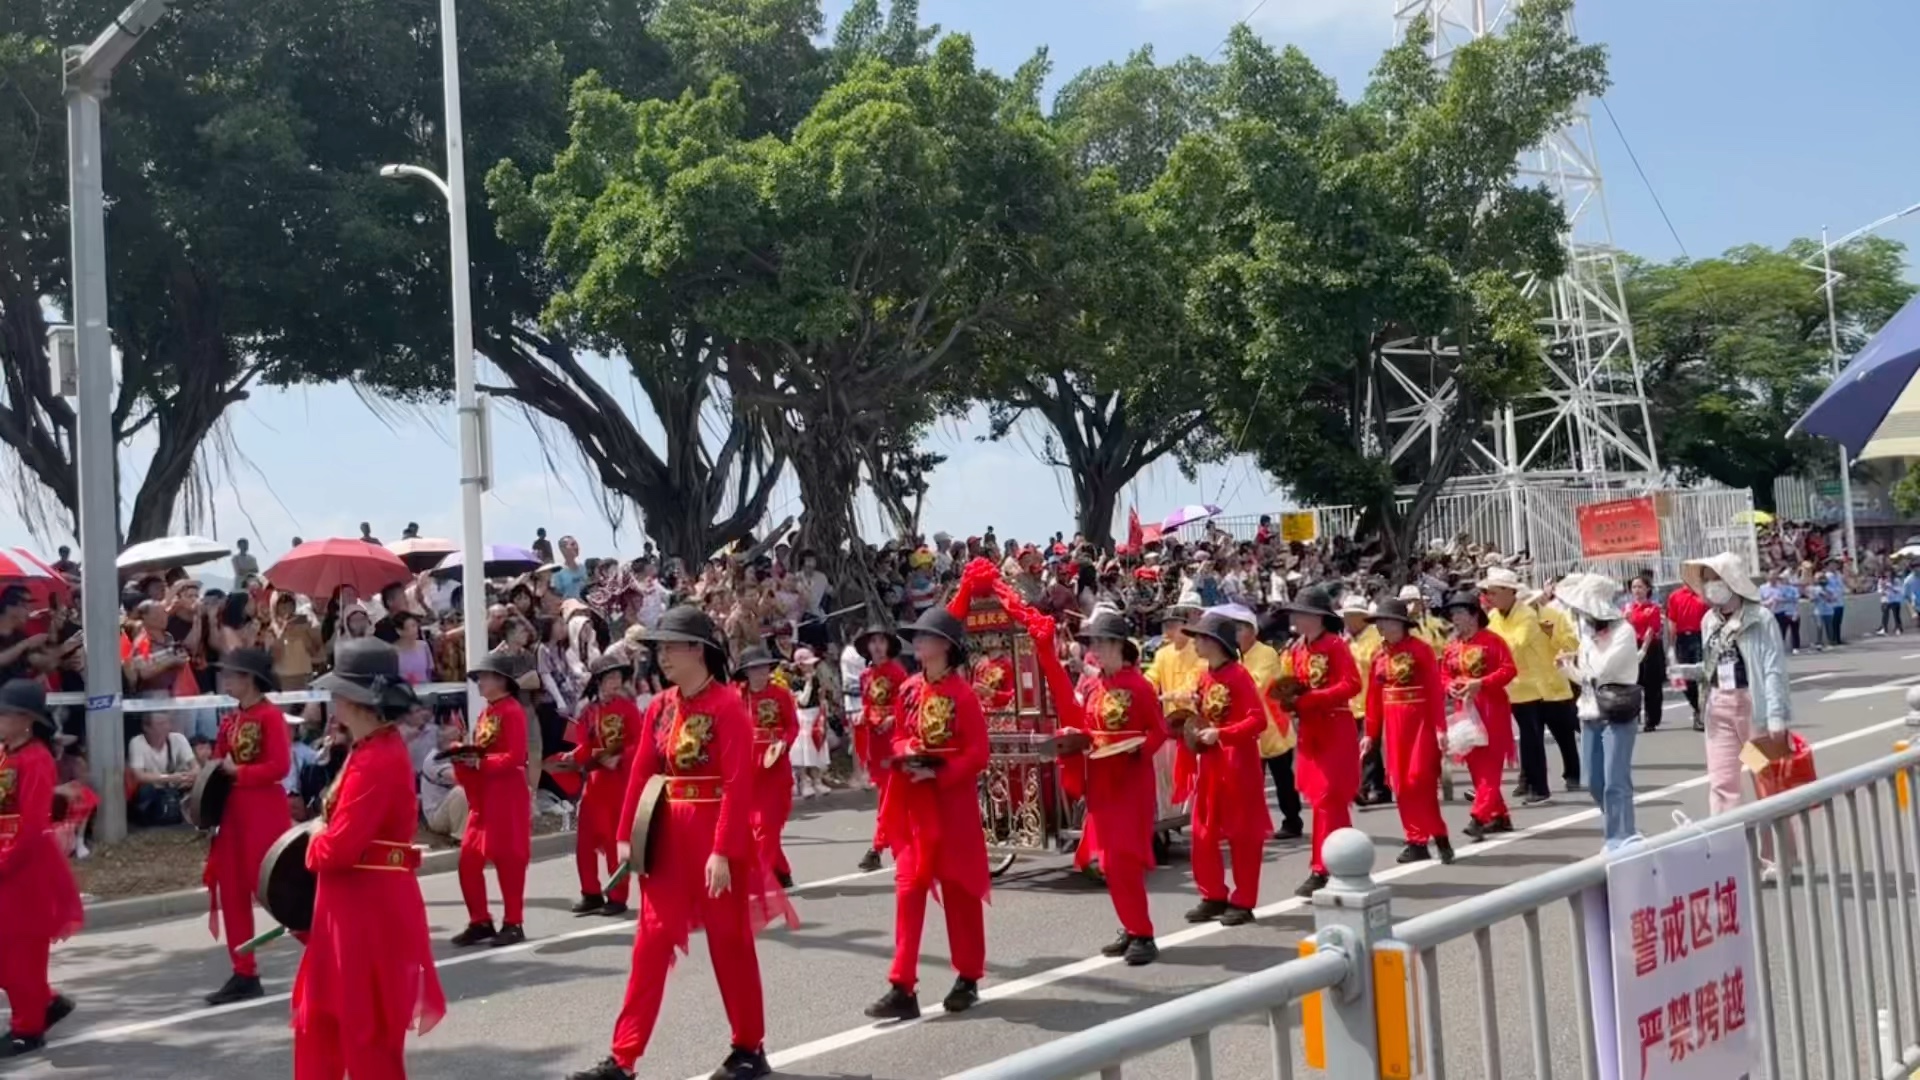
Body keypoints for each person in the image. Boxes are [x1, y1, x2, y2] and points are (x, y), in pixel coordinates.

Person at [571, 606, 795, 1080]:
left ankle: (749, 1047)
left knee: (729, 943)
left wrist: (722, 850)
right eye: (660, 648)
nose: (662, 656)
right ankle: (623, 1057)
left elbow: (737, 784)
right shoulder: (661, 706)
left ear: (699, 650)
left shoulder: (728, 706)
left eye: (671, 646)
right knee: (650, 942)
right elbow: (643, 772)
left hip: (715, 835)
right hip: (668, 835)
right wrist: (625, 835)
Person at [294, 638, 447, 1078]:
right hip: (354, 904)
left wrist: (312, 842)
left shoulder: (375, 760)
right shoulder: (366, 751)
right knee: (334, 1024)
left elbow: (338, 848)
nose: (332, 699)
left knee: (366, 1034)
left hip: (367, 912)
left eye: (338, 691)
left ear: (356, 702)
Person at [865, 606, 991, 1022]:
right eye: (916, 636)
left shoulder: (964, 695)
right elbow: (900, 735)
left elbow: (978, 753)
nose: (917, 642)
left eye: (926, 636)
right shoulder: (909, 690)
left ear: (947, 647)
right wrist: (906, 754)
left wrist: (941, 774)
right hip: (914, 802)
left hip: (951, 803)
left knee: (959, 891)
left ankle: (968, 976)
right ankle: (902, 984)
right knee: (908, 887)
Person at [1034, 610, 1167, 964]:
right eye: (1095, 644)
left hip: (1130, 781)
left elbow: (1159, 731)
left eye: (1106, 644)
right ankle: (1131, 925)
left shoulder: (1139, 686)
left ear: (1122, 648)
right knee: (1109, 861)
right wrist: (1074, 739)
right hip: (1102, 782)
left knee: (1124, 859)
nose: (1099, 650)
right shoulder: (1094, 688)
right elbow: (1086, 726)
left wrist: (1138, 748)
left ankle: (1144, 933)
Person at [201, 648, 294, 1006]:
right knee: (233, 892)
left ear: (250, 679)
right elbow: (218, 761)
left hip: (262, 814)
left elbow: (279, 767)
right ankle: (244, 971)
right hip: (232, 815)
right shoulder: (232, 719)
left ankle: (325, 949)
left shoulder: (271, 717)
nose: (225, 679)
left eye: (232, 674)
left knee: (273, 890)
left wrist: (238, 773)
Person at [0, 680, 83, 1057]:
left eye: (5, 713)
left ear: (26, 720)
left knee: (22, 953)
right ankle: (45, 1003)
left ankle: (27, 1029)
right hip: (8, 863)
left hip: (25, 869)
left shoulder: (36, 759)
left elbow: (31, 827)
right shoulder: (6, 755)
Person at [1682, 554, 1793, 828]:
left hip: (1752, 711)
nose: (1710, 586)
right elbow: (1713, 663)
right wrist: (1690, 671)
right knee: (1722, 783)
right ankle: (1726, 856)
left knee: (1766, 779)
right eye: (1706, 581)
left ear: (1732, 579)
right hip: (1718, 710)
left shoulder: (1761, 617)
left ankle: (1776, 857)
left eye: (1715, 579)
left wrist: (1776, 716)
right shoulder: (1709, 619)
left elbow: (1772, 667)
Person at [1178, 611, 1274, 923]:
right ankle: (1213, 894)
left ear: (1215, 643)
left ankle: (1244, 900)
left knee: (1242, 833)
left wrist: (1224, 733)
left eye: (1200, 638)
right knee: (1202, 831)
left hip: (1238, 763)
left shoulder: (1239, 676)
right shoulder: (1206, 676)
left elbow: (1257, 720)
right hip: (1210, 762)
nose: (1195, 643)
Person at [1277, 587, 1361, 898]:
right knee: (1320, 800)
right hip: (1309, 729)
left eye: (1300, 613)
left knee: (1328, 798)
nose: (1295, 618)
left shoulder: (1336, 646)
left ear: (1317, 618)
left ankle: (1322, 867)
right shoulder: (1297, 649)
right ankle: (1343, 859)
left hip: (1335, 727)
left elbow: (1352, 684)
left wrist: (1315, 698)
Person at [450, 649, 533, 948]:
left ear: (501, 680)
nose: (480, 682)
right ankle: (480, 919)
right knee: (468, 860)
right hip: (484, 795)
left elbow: (515, 757)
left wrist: (478, 763)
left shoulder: (512, 711)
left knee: (508, 859)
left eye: (484, 676)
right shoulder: (486, 713)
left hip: (506, 795)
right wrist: (464, 757)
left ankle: (514, 921)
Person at [1557, 574, 1642, 852]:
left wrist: (1577, 668)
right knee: (1594, 781)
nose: (1580, 614)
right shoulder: (1588, 636)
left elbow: (1602, 671)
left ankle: (1620, 836)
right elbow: (1586, 676)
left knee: (1615, 780)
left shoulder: (1624, 632)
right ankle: (1619, 826)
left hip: (1617, 712)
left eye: (1583, 608)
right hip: (1590, 711)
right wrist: (1568, 668)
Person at [1364, 600, 1452, 865]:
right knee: (1399, 784)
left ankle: (1439, 834)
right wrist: (1370, 733)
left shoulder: (1421, 650)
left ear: (1401, 624)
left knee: (1420, 781)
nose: (1381, 626)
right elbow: (1373, 698)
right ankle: (1416, 840)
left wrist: (1440, 727)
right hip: (1393, 725)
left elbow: (1435, 692)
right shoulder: (1378, 655)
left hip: (1420, 723)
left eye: (1386, 621)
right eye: (1378, 622)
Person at [1482, 567, 1578, 804]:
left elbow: (1515, 644)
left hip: (1545, 683)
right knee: (1529, 736)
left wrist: (1551, 633)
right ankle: (1530, 782)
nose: (1489, 598)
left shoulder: (1529, 616)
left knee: (1557, 733)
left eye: (1493, 592)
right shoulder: (1495, 617)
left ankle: (1553, 781)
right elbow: (1490, 642)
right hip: (1516, 685)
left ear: (1509, 592)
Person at [565, 655, 643, 917]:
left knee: (613, 841)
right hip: (595, 784)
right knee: (584, 842)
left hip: (619, 784)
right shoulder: (588, 712)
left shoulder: (628, 708)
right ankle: (590, 892)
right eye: (609, 678)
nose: (614, 683)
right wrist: (572, 758)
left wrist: (621, 757)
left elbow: (641, 744)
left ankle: (617, 895)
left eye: (618, 679)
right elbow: (583, 745)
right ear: (598, 681)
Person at [1441, 591, 1518, 841]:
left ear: (1475, 615)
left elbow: (1509, 669)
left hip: (1491, 708)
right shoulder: (1452, 646)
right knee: (1475, 764)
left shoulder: (1492, 641)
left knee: (1490, 764)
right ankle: (1499, 815)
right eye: (1453, 614)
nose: (1456, 618)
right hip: (1465, 709)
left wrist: (1481, 683)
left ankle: (1479, 816)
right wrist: (1449, 686)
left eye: (1461, 613)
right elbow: (1443, 675)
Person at [1218, 605, 1300, 839]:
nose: (1236, 633)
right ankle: (1248, 822)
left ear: (1252, 631)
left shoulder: (1266, 653)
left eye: (1241, 628)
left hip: (1273, 726)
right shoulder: (1232, 656)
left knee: (1283, 778)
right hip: (1248, 726)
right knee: (1248, 782)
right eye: (1234, 629)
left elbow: (1258, 682)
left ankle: (1292, 820)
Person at [736, 647, 800, 890]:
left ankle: (760, 877)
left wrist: (784, 743)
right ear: (746, 672)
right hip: (747, 769)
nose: (759, 673)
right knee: (754, 826)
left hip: (774, 767)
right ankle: (781, 870)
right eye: (754, 669)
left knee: (766, 824)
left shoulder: (780, 694)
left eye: (763, 667)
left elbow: (792, 726)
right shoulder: (737, 696)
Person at [854, 626, 908, 872]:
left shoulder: (898, 672)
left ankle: (877, 847)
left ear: (888, 646)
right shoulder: (865, 675)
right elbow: (867, 704)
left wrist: (893, 719)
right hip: (874, 739)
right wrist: (861, 716)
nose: (876, 646)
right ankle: (897, 847)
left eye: (880, 641)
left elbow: (906, 704)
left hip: (892, 738)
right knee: (884, 793)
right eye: (872, 642)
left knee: (888, 794)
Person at [126, 714, 195, 825]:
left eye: (167, 723)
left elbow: (196, 767)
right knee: (146, 791)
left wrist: (188, 777)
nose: (166, 727)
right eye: (160, 724)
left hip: (176, 787)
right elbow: (139, 776)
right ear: (146, 727)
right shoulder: (137, 742)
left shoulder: (178, 738)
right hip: (152, 789)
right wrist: (169, 778)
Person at [1622, 576, 1667, 732]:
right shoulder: (1628, 609)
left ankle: (1651, 719)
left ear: (1648, 589)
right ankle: (1633, 716)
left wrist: (1644, 650)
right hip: (1631, 647)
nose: (1637, 590)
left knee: (1652, 686)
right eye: (1634, 587)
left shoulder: (1653, 608)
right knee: (1633, 684)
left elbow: (1651, 630)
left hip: (1650, 648)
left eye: (1640, 587)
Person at [1667, 572, 1710, 730]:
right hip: (1682, 638)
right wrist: (1671, 645)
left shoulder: (1704, 594)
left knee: (1702, 675)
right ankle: (1697, 707)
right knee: (1684, 677)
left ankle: (1702, 712)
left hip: (1701, 637)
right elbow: (1672, 620)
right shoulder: (1675, 596)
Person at [788, 648, 831, 798]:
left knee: (817, 746)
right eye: (807, 664)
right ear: (800, 665)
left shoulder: (816, 678)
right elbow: (802, 701)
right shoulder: (796, 682)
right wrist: (809, 684)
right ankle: (804, 781)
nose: (811, 667)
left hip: (815, 714)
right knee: (805, 749)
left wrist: (823, 702)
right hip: (803, 716)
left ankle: (817, 779)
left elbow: (819, 698)